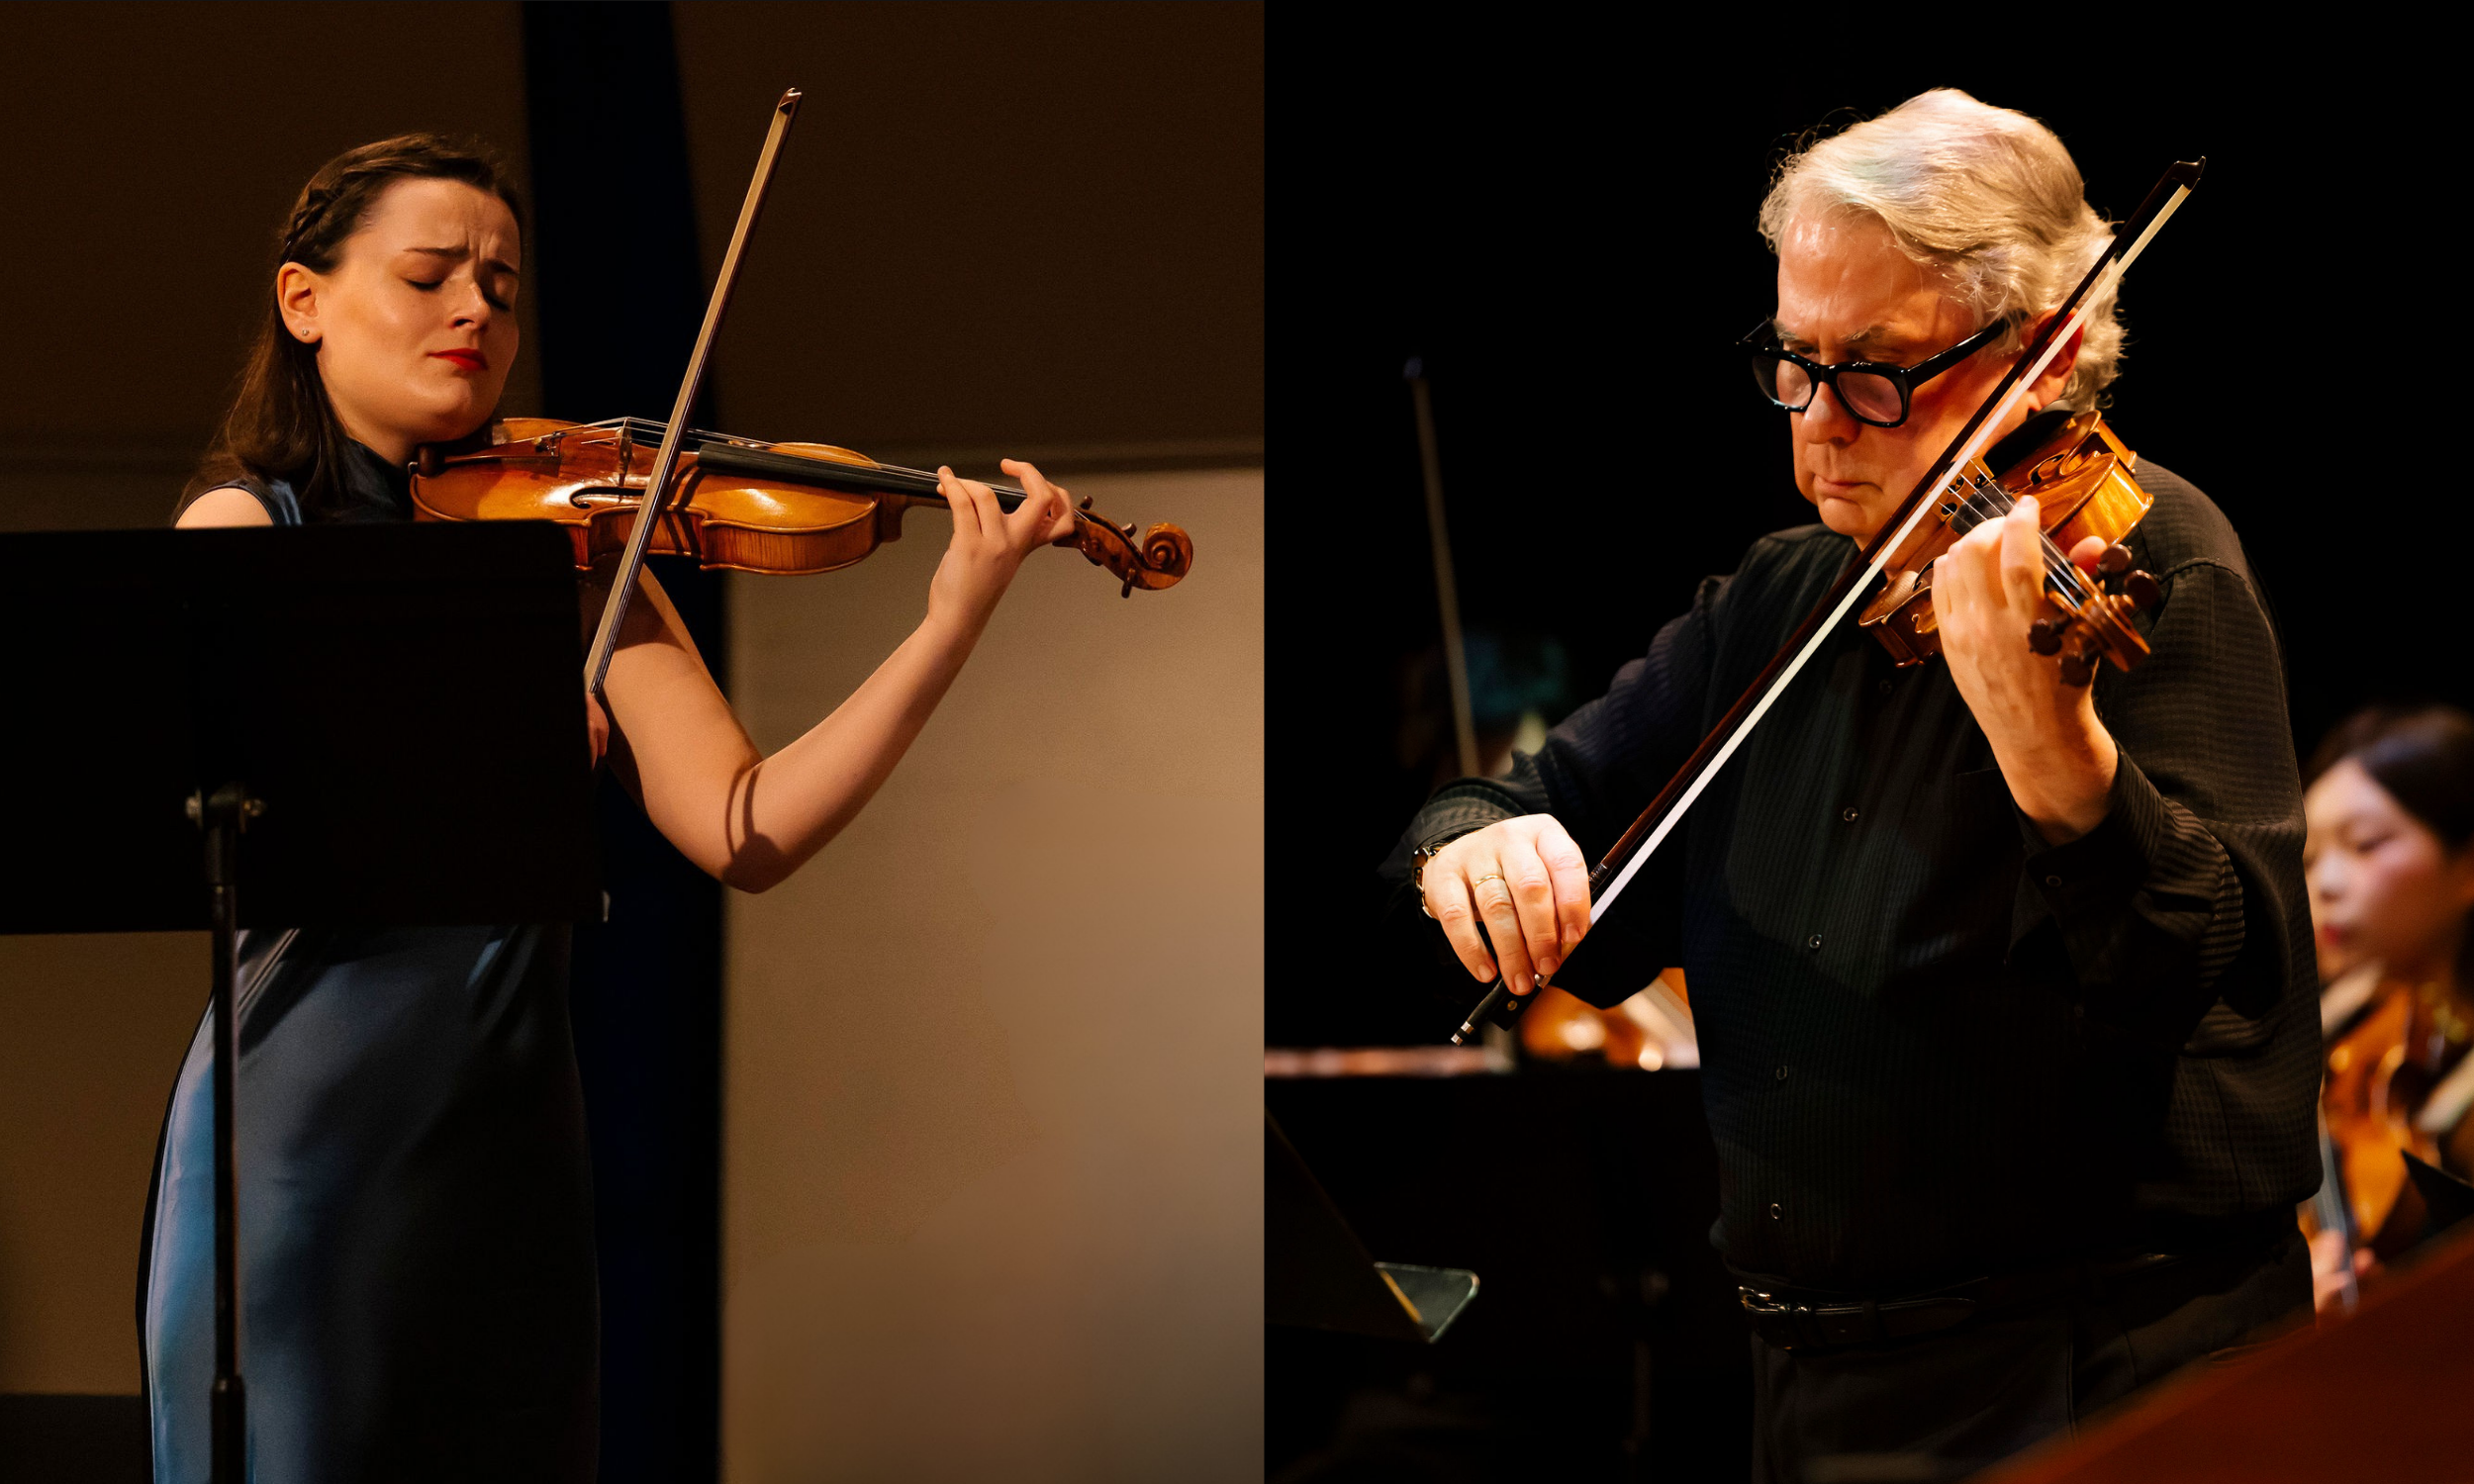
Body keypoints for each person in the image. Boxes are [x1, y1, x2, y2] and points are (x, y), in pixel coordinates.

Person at [1380, 91, 2317, 1481]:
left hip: (2091, 1370)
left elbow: (2210, 977)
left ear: (2047, 350)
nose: (1819, 426)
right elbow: (1509, 804)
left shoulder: (2152, 561)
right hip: (1811, 1387)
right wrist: (1469, 850)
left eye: (1877, 372)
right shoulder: (1783, 594)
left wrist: (2056, 759)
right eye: (1795, 363)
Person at [143, 135, 1077, 1482]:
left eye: (502, 287)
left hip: (510, 1158)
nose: (476, 312)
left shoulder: (565, 551)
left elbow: (747, 827)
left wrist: (949, 622)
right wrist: (486, 746)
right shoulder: (250, 532)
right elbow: (278, 822)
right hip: (308, 1147)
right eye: (428, 276)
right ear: (305, 301)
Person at [2301, 704, 2474, 1304]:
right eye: (2308, 857)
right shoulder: (2334, 1043)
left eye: (2365, 844)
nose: (2324, 883)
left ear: (2467, 864)